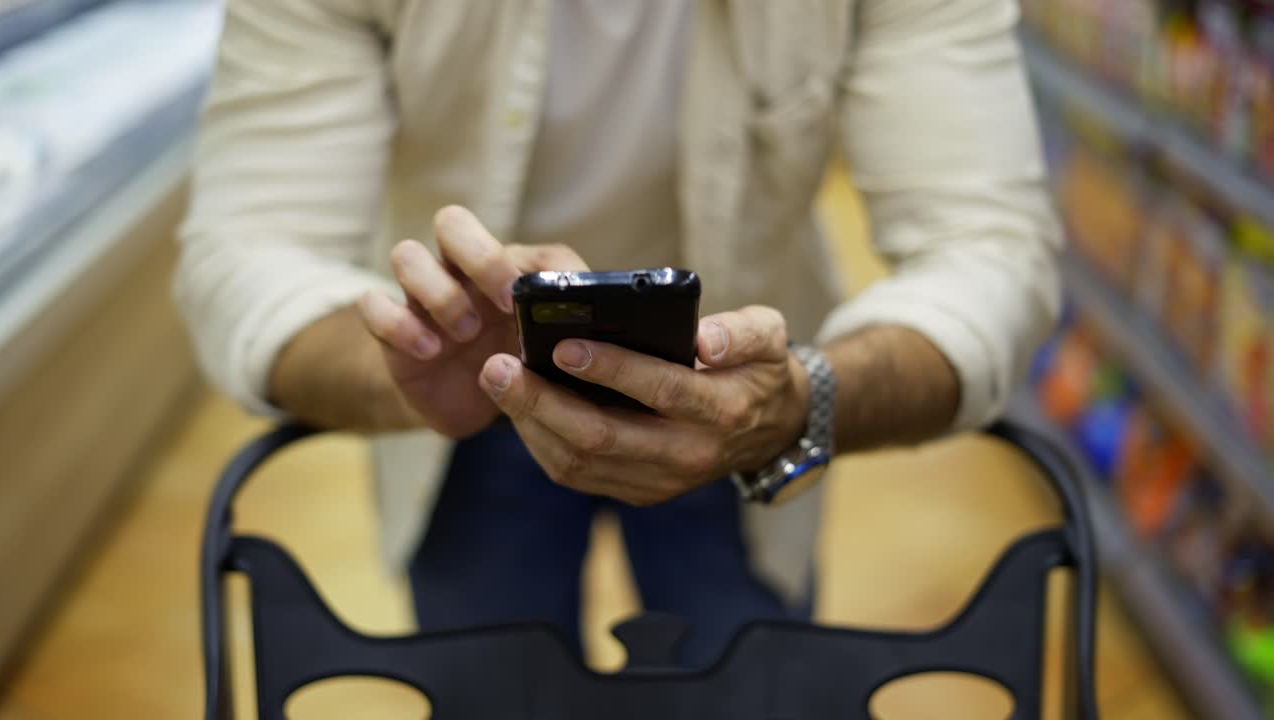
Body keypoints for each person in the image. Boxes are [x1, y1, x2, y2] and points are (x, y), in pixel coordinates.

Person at [174, 0, 1061, 667]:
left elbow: (990, 252)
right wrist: (399, 369)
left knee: (746, 682)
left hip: (751, 407)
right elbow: (246, 255)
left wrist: (798, 400)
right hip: (465, 413)